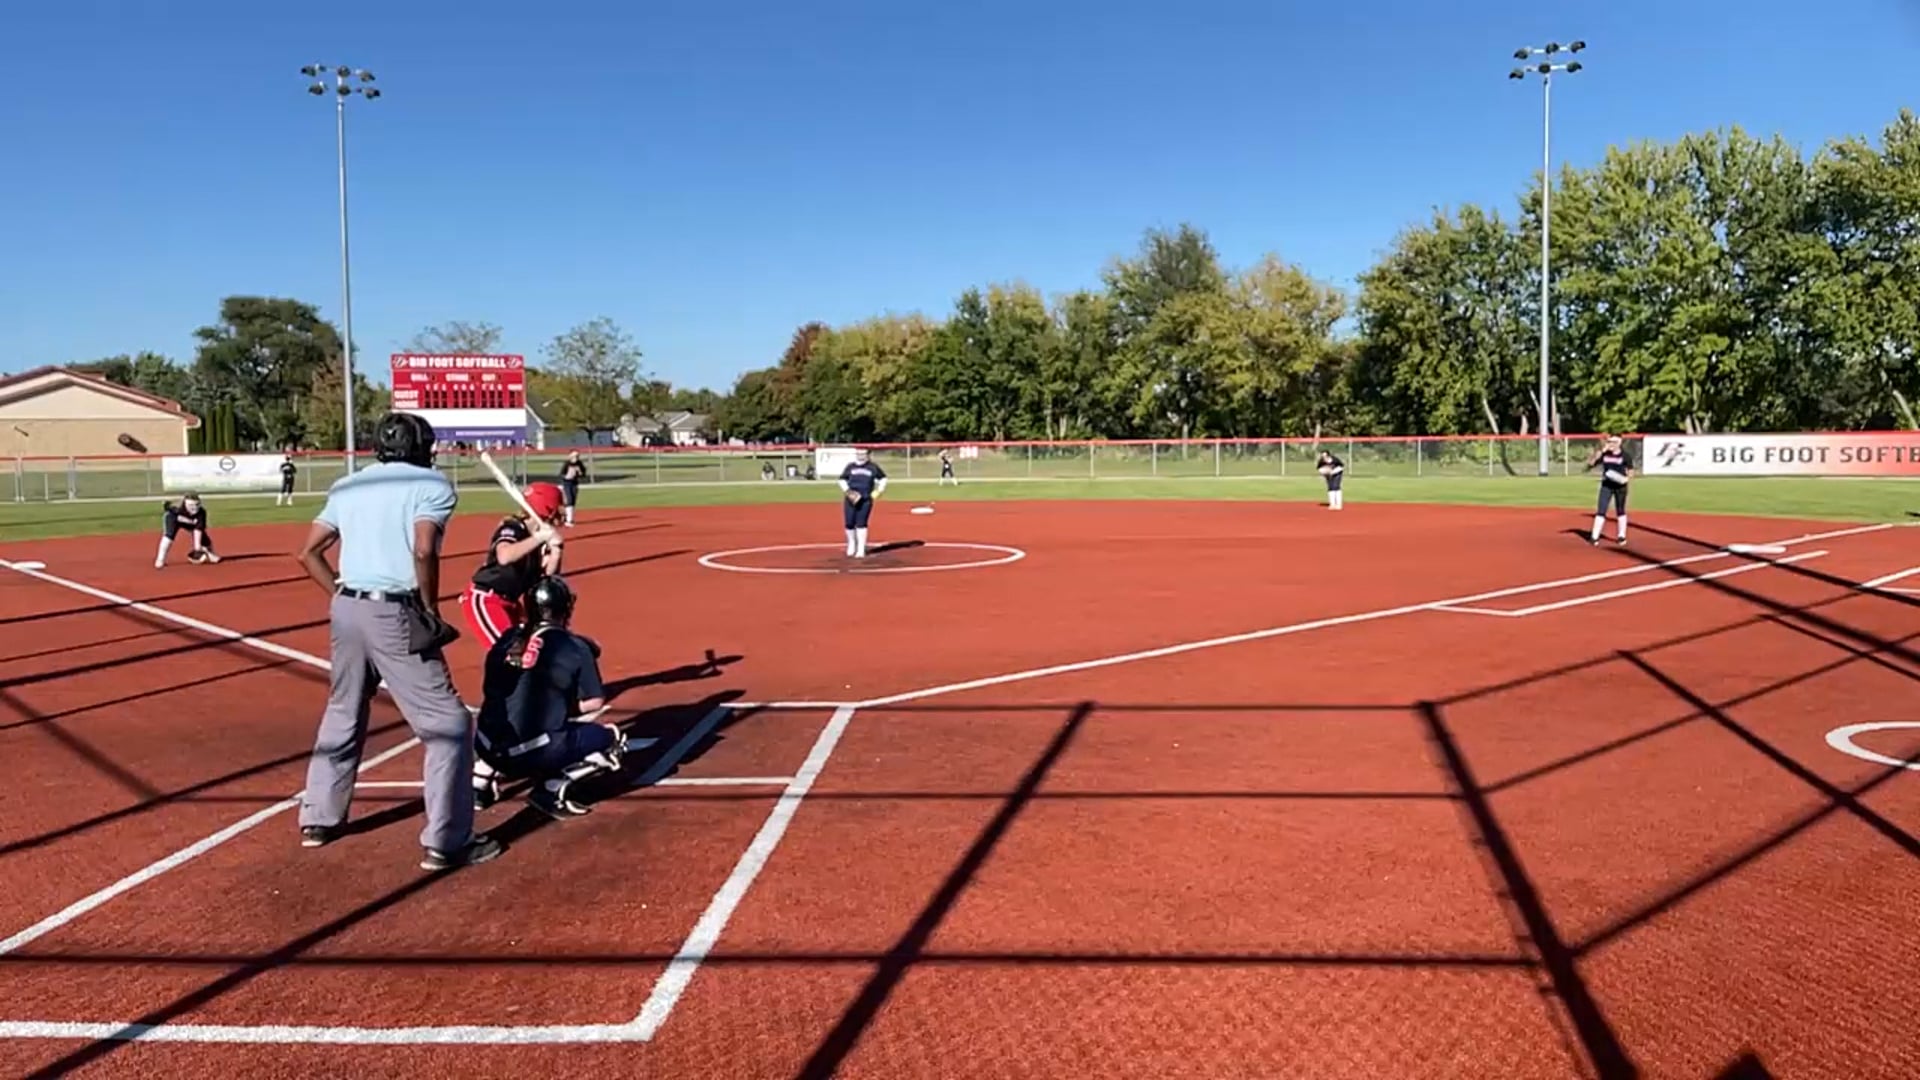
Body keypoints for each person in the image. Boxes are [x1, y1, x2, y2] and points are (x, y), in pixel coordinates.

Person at [293, 411, 502, 871]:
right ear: (422, 447)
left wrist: (342, 594)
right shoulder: (432, 485)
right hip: (396, 610)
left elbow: (308, 552)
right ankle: (448, 840)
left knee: (344, 709)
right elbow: (424, 549)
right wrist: (429, 610)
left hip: (347, 609)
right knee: (447, 724)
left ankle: (319, 818)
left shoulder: (348, 485)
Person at [474, 575, 628, 819]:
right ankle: (550, 789)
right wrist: (559, 706)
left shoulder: (507, 638)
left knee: (505, 716)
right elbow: (594, 702)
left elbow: (492, 686)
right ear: (563, 608)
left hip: (484, 744)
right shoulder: (575, 647)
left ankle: (479, 782)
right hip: (526, 753)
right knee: (610, 739)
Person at [459, 482, 566, 647]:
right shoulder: (513, 527)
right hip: (487, 599)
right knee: (507, 652)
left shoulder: (539, 536)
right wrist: (538, 538)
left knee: (530, 649)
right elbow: (504, 556)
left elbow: (547, 578)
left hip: (512, 603)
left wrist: (556, 551)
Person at [839, 448, 887, 558]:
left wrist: (879, 490)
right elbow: (842, 479)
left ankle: (861, 548)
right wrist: (848, 491)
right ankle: (851, 544)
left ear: (868, 454)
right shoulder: (850, 466)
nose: (860, 456)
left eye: (863, 454)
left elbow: (883, 478)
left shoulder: (873, 467)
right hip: (851, 498)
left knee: (861, 523)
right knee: (849, 523)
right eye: (858, 453)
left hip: (865, 499)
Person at [1587, 435, 1634, 546]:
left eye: (1613, 442)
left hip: (1620, 486)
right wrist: (1600, 452)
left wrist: (1626, 479)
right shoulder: (1605, 454)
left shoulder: (1625, 456)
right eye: (1609, 442)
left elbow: (1631, 471)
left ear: (1619, 443)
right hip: (1607, 485)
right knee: (1601, 510)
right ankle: (1594, 537)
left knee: (1620, 510)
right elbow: (1591, 463)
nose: (1610, 444)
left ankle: (1621, 536)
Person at [156, 493, 221, 568]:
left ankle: (210, 553)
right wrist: (166, 505)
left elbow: (198, 530)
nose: (194, 507)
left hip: (191, 521)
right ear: (185, 503)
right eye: (191, 505)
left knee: (204, 538)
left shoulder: (201, 513)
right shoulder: (177, 508)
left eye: (197, 504)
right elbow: (168, 508)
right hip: (174, 519)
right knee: (169, 536)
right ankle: (160, 559)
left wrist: (198, 549)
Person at [558, 452, 587, 527]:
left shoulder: (579, 463)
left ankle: (569, 518)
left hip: (574, 483)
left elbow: (583, 473)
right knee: (569, 499)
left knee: (573, 500)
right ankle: (569, 520)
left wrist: (580, 473)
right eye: (574, 456)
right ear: (570, 457)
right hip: (566, 483)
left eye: (577, 456)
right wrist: (566, 476)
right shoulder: (567, 463)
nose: (576, 458)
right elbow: (562, 474)